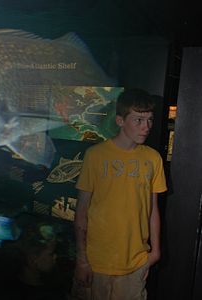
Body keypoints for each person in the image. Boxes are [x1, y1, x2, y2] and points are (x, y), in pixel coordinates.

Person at [71, 88, 167, 300]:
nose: (146, 127)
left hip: (135, 262)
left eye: (150, 120)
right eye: (139, 120)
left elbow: (152, 209)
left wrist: (155, 252)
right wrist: (82, 260)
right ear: (120, 121)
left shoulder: (153, 158)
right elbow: (82, 211)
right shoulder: (95, 155)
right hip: (96, 262)